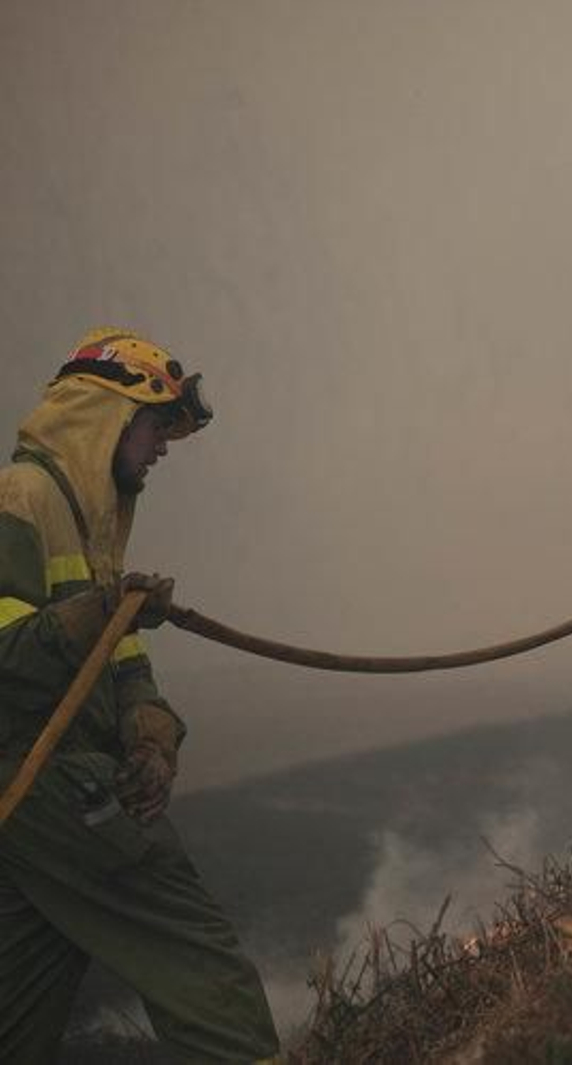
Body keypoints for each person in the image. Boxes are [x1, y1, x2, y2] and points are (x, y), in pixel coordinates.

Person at [0, 330, 279, 1062]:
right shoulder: (22, 500)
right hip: (43, 777)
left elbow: (118, 654)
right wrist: (100, 608)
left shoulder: (95, 522)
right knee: (203, 964)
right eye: (156, 428)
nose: (160, 449)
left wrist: (151, 729)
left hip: (39, 797)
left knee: (17, 1012)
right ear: (104, 417)